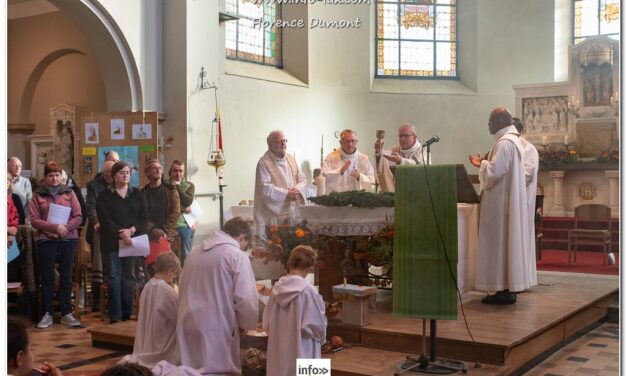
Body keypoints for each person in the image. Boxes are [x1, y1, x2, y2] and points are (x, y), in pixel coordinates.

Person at [177, 216, 258, 374]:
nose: (242, 249)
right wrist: (247, 324)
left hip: (188, 320)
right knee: (217, 371)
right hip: (217, 326)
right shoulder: (235, 255)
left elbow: (182, 287)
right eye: (244, 245)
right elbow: (246, 298)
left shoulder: (193, 253)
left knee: (191, 370)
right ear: (242, 236)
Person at [469, 108, 531, 304]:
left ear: (502, 121)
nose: (488, 125)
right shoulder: (513, 142)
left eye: (491, 121)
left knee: (498, 246)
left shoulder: (504, 143)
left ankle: (501, 289)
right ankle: (505, 288)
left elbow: (495, 172)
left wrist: (483, 163)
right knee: (504, 247)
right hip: (505, 204)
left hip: (499, 205)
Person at [30, 161, 83, 328]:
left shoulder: (69, 193)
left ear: (61, 176)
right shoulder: (37, 194)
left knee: (67, 276)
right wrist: (54, 227)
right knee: (48, 278)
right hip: (46, 239)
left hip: (68, 238)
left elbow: (78, 216)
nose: (54, 178)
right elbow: (34, 220)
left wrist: (64, 228)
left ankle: (67, 312)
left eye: (57, 175)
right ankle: (48, 314)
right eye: (50, 175)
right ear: (45, 177)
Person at [263, 246, 327, 376]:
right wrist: (322, 340)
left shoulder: (276, 288)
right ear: (309, 268)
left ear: (289, 263)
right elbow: (317, 326)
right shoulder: (309, 292)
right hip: (304, 348)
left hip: (279, 348)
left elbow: (266, 323)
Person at [97, 161, 148, 323]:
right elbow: (105, 220)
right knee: (113, 277)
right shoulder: (105, 196)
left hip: (131, 241)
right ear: (113, 176)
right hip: (112, 242)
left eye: (128, 172)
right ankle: (115, 315)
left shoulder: (137, 194)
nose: (125, 175)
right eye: (121, 172)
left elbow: (144, 218)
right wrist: (122, 233)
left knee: (129, 277)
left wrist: (131, 231)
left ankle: (127, 312)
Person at [124, 251, 180, 367]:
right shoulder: (166, 290)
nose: (173, 277)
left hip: (145, 342)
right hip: (160, 344)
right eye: (174, 274)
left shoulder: (147, 286)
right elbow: (177, 319)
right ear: (170, 271)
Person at [253, 130, 306, 234]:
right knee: (279, 245)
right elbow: (265, 188)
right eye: (279, 141)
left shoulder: (291, 159)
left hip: (294, 209)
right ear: (269, 144)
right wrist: (286, 193)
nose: (284, 144)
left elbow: (302, 178)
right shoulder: (264, 163)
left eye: (285, 141)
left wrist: (296, 190)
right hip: (277, 214)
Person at [86, 160, 115, 311]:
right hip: (99, 231)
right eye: (105, 173)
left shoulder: (121, 185)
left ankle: (113, 299)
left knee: (113, 265)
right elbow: (90, 206)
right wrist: (96, 222)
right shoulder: (93, 185)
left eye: (110, 172)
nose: (107, 175)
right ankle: (96, 299)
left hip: (116, 231)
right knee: (98, 264)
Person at [513, 117, 539, 286]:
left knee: (521, 238)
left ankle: (523, 279)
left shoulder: (528, 148)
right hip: (510, 200)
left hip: (522, 201)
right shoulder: (508, 146)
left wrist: (505, 173)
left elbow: (527, 174)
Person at [374, 124, 426, 193]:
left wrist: (400, 160)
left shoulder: (422, 150)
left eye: (406, 136)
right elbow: (381, 165)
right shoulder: (395, 149)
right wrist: (378, 152)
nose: (402, 139)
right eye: (400, 136)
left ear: (414, 137)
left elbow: (422, 166)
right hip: (397, 191)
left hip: (417, 190)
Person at [142, 160, 180, 243]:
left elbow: (175, 213)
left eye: (159, 168)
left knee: (163, 254)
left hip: (167, 232)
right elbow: (141, 216)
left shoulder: (171, 191)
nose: (158, 170)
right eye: (154, 168)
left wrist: (163, 230)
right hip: (148, 232)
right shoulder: (142, 193)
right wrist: (152, 230)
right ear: (148, 173)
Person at [166, 160, 195, 265]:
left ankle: (185, 272)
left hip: (183, 223)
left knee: (186, 252)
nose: (178, 173)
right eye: (175, 170)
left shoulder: (189, 185)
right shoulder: (165, 184)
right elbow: (166, 205)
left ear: (184, 172)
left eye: (181, 171)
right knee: (166, 254)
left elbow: (188, 201)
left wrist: (177, 187)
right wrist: (183, 209)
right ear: (171, 171)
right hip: (168, 223)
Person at [8, 156, 32, 221]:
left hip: (21, 218)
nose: (17, 168)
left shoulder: (25, 182)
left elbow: (29, 201)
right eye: (14, 165)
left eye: (20, 166)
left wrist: (25, 217)